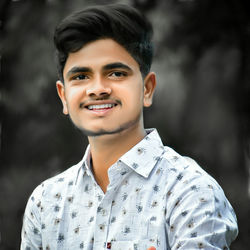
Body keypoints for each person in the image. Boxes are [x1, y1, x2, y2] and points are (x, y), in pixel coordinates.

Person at [21, 4, 238, 250]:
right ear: (63, 96)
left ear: (147, 89)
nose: (98, 88)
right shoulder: (46, 203)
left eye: (115, 73)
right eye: (81, 77)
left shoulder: (191, 193)